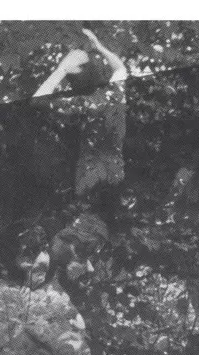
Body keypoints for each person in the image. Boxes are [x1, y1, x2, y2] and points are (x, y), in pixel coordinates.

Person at [32, 28, 127, 226]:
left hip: (90, 173)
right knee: (106, 223)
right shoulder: (114, 94)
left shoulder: (81, 105)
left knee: (87, 225)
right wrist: (99, 47)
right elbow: (120, 68)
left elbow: (38, 100)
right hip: (115, 170)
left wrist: (61, 70)